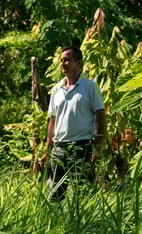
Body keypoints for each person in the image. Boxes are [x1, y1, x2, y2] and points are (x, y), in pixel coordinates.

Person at [39, 45, 107, 200]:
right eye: (62, 61)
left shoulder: (90, 86)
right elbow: (52, 121)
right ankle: (56, 216)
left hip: (82, 147)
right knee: (55, 193)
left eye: (67, 60)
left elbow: (100, 117)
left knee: (84, 193)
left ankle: (87, 216)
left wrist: (97, 148)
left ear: (78, 62)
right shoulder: (57, 89)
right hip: (59, 148)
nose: (63, 64)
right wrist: (47, 149)